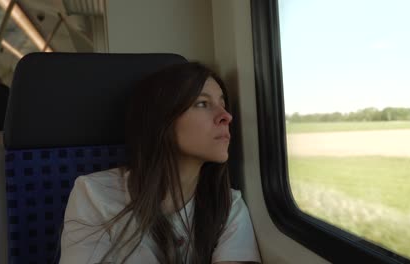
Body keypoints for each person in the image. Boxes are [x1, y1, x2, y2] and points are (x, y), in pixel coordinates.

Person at [59, 62, 261, 264]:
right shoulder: (94, 194)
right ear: (162, 120)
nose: (226, 116)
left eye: (223, 105)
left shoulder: (228, 205)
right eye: (202, 104)